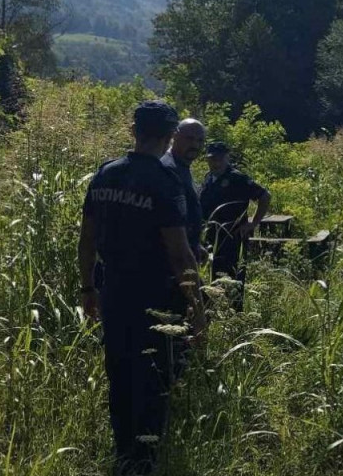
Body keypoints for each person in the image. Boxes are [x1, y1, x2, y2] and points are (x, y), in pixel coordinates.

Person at [77, 101, 206, 475]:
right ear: (169, 137)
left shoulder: (105, 175)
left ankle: (122, 455)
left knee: (119, 373)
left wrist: (88, 289)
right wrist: (197, 310)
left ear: (133, 130)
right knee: (153, 378)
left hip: (113, 293)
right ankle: (144, 461)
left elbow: (86, 240)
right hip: (156, 298)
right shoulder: (165, 183)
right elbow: (181, 256)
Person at [198, 141, 271, 311]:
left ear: (226, 158)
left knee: (234, 279)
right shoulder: (208, 178)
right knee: (212, 278)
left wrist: (253, 222)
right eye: (211, 159)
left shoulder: (238, 178)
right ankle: (214, 313)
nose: (215, 162)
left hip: (232, 238)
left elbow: (265, 196)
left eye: (219, 159)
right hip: (210, 239)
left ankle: (234, 316)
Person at [161, 118, 209, 262]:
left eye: (200, 141)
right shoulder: (168, 169)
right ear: (175, 136)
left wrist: (195, 246)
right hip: (171, 262)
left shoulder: (182, 167)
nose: (195, 145)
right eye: (189, 139)